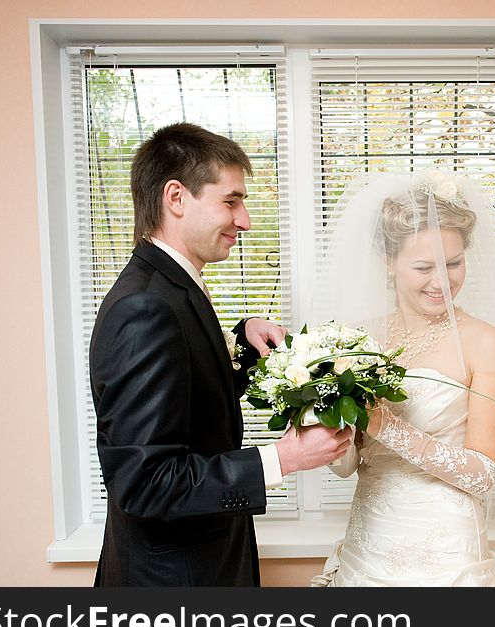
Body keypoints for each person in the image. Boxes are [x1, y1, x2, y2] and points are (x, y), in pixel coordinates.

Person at [89, 122, 350, 586]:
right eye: (231, 201)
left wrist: (242, 339)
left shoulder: (173, 287)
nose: (245, 220)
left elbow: (186, 399)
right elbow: (146, 483)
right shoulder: (145, 306)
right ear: (176, 198)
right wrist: (282, 459)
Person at [310, 170, 495, 586]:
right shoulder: (360, 338)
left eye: (453, 263)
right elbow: (346, 466)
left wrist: (385, 426)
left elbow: (481, 474)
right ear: (389, 263)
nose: (442, 281)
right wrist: (315, 414)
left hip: (447, 548)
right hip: (369, 538)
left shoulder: (488, 343)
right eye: (423, 266)